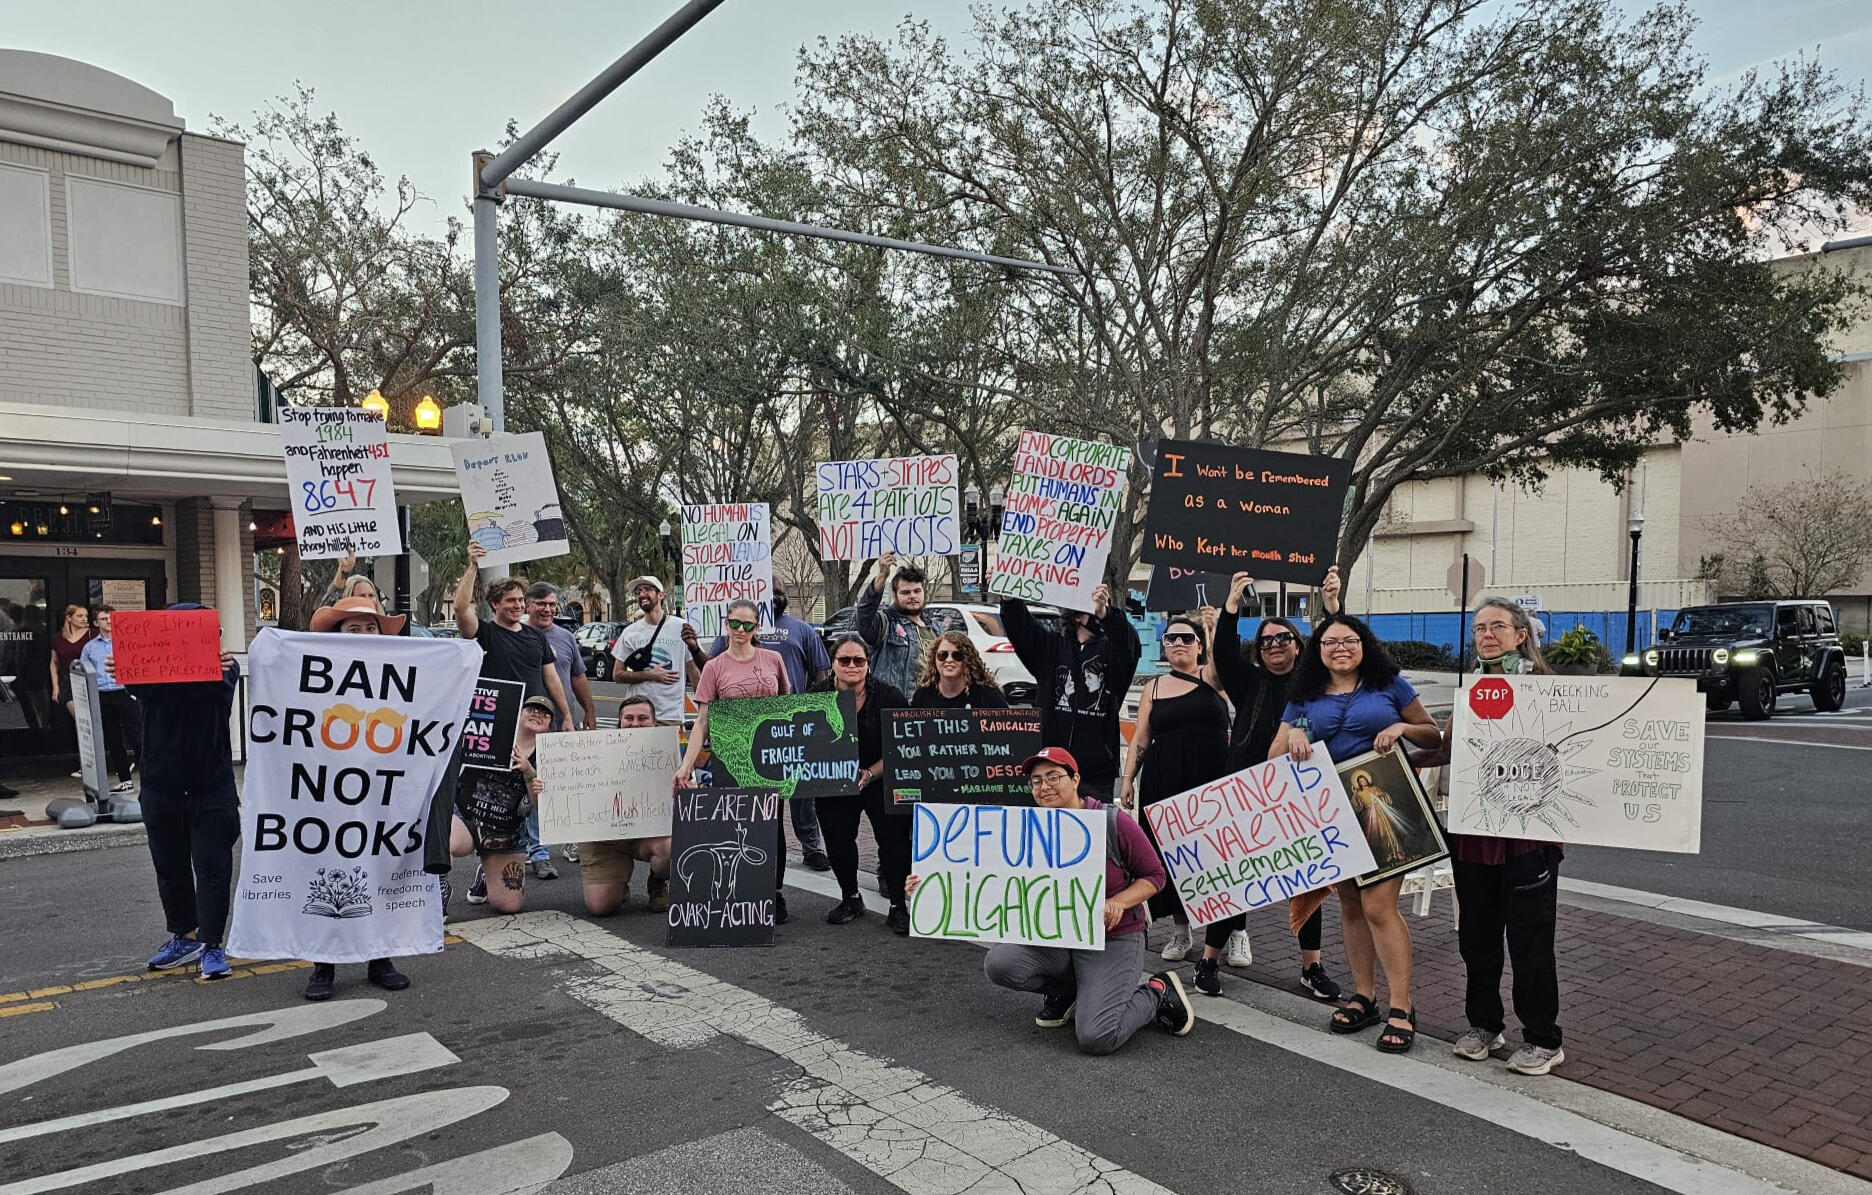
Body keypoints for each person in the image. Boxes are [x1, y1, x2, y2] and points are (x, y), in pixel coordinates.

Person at [907, 748, 1194, 1054]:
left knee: (1097, 1037)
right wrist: (929, 885)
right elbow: (981, 875)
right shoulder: (1026, 827)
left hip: (1113, 938)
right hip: (1057, 938)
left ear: (1075, 779)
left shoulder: (1111, 822)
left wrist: (1120, 902)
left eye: (1053, 777)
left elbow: (1155, 876)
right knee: (1000, 964)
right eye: (1036, 781)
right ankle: (1073, 991)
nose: (1044, 787)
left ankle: (1157, 993)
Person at [1272, 614, 1441, 1052]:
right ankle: (1364, 996)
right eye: (1329, 643)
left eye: (1349, 640)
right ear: (1318, 651)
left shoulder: (1390, 685)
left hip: (1386, 806)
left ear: (1364, 644)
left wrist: (1402, 727)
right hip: (1331, 811)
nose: (1340, 649)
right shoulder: (1305, 694)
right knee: (1350, 904)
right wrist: (1295, 736)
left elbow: (1432, 736)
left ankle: (1401, 1005)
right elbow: (1274, 755)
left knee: (1379, 906)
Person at [1424, 597, 1567, 1076]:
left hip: (1528, 839)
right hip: (1474, 835)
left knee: (1530, 940)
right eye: (1479, 628)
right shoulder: (1470, 689)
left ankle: (1543, 1038)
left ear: (1521, 634)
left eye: (1497, 626)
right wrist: (1391, 751)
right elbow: (1446, 750)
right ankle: (1484, 1024)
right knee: (1477, 937)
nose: (1486, 635)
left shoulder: (1547, 688)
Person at [1203, 568, 1343, 997]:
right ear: (1259, 651)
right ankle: (1208, 961)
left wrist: (1333, 608)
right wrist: (1230, 608)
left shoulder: (1316, 685)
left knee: (1308, 881)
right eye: (1266, 641)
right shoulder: (1248, 683)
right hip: (1248, 791)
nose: (1275, 645)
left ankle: (1311, 967)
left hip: (1301, 796)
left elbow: (1339, 644)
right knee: (1232, 877)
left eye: (1284, 638)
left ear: (1299, 646)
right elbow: (1224, 654)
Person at [301, 597, 424, 1000]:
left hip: (382, 794)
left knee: (379, 869)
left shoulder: (397, 676)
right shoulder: (315, 676)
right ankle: (323, 963)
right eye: (354, 629)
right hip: (329, 792)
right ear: (337, 636)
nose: (365, 635)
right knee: (329, 870)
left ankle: (380, 958)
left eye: (371, 628)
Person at [120, 603, 241, 980]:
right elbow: (138, 686)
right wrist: (124, 667)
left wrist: (215, 664)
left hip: (211, 786)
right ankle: (184, 936)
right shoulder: (152, 673)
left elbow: (218, 694)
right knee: (169, 866)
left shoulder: (225, 670)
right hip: (162, 786)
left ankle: (212, 944)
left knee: (213, 868)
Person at [1118, 616, 1231, 988]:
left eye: (1186, 637)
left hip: (1210, 776)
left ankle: (1234, 929)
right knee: (1171, 855)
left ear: (1199, 645)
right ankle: (1182, 930)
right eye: (1171, 638)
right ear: (1163, 646)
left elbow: (1224, 665)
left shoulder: (1211, 677)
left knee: (1220, 853)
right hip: (1164, 777)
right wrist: (1129, 779)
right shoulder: (1152, 687)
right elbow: (1141, 736)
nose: (1178, 643)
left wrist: (1215, 628)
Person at [453, 541, 572, 881]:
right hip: (500, 728)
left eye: (521, 600)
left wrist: (565, 716)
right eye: (511, 601)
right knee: (498, 795)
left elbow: (551, 677)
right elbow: (460, 608)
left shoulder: (536, 637)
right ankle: (488, 858)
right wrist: (473, 566)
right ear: (495, 604)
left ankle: (539, 853)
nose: (518, 606)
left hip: (536, 724)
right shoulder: (486, 634)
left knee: (536, 788)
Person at [674, 598, 794, 923]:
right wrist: (686, 765)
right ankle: (740, 890)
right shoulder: (714, 667)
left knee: (771, 824)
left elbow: (787, 708)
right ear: (726, 625)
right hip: (729, 758)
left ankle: (774, 891)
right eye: (735, 623)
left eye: (748, 624)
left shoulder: (773, 660)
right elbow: (702, 721)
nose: (741, 630)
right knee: (735, 826)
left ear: (757, 627)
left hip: (768, 758)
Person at [710, 581, 834, 872]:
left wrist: (813, 712)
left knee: (802, 791)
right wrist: (693, 647)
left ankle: (812, 847)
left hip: (791, 727)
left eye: (779, 593)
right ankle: (754, 853)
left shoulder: (802, 629)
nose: (775, 597)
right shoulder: (735, 631)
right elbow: (711, 668)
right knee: (761, 801)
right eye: (769, 593)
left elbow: (821, 673)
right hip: (746, 730)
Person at [999, 584, 1141, 801]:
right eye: (1091, 609)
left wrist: (1106, 614)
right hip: (1051, 768)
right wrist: (1009, 600)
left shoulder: (1114, 654)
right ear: (1075, 615)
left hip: (1095, 770)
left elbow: (1128, 643)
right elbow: (1022, 630)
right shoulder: (1052, 647)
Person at [811, 634, 910, 932]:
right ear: (833, 664)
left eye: (859, 660)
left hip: (880, 776)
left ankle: (898, 905)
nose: (852, 665)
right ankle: (851, 897)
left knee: (893, 841)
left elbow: (902, 747)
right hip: (834, 781)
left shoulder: (890, 696)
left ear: (868, 664)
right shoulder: (815, 696)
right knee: (838, 840)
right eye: (844, 660)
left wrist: (871, 772)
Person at [452, 695, 554, 916]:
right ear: (519, 713)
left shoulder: (549, 758)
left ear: (550, 726)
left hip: (506, 831)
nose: (537, 714)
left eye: (545, 713)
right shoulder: (492, 733)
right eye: (531, 709)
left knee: (509, 904)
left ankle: (487, 873)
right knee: (442, 840)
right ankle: (438, 893)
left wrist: (528, 771)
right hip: (467, 817)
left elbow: (540, 807)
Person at [577, 695, 673, 915]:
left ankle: (658, 879)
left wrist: (688, 787)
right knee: (601, 907)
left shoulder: (670, 751)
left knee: (669, 847)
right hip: (606, 838)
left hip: (647, 834)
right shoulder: (594, 751)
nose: (635, 724)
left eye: (642, 718)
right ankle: (617, 885)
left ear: (654, 722)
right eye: (629, 718)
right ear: (619, 722)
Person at [525, 582, 596, 866]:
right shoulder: (519, 635)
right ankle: (538, 850)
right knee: (535, 785)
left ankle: (572, 841)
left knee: (570, 784)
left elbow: (578, 676)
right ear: (528, 605)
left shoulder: (566, 637)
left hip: (564, 724)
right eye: (541, 604)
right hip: (528, 727)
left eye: (552, 604)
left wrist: (589, 711)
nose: (547, 609)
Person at [855, 551, 961, 699]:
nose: (913, 596)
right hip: (895, 706)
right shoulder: (887, 622)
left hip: (929, 705)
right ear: (895, 595)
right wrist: (882, 576)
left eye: (917, 591)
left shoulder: (936, 628)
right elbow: (863, 618)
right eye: (905, 592)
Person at [610, 576, 705, 727]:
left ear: (660, 594)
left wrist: (702, 712)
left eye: (647, 589)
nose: (641, 594)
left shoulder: (682, 627)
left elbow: (694, 673)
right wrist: (650, 674)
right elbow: (617, 674)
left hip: (670, 715)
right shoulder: (630, 632)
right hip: (637, 716)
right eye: (638, 592)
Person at [78, 606, 139, 793]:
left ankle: (150, 777)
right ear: (96, 623)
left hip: (124, 692)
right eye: (104, 619)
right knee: (113, 739)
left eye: (111, 618)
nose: (109, 622)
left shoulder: (126, 642)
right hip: (103, 695)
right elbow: (83, 672)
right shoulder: (90, 647)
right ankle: (125, 780)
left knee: (137, 737)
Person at [909, 632, 1009, 709]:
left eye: (957, 655)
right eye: (942, 655)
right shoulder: (923, 694)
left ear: (968, 660)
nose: (949, 660)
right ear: (934, 659)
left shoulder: (988, 695)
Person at [49, 603, 93, 720]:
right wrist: (55, 686)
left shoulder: (93, 635)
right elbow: (54, 662)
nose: (84, 619)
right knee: (79, 718)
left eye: (86, 616)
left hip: (87, 677)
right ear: (69, 617)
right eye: (79, 616)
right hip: (66, 679)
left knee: (89, 719)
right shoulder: (59, 637)